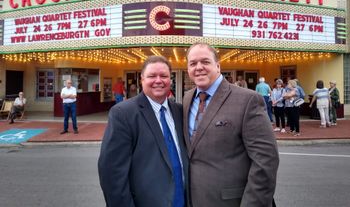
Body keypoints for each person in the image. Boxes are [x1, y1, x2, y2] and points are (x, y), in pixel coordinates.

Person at [183, 42, 279, 207]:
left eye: (205, 62)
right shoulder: (187, 98)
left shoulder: (248, 99)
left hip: (232, 201)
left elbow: (265, 161)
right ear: (188, 69)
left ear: (218, 66)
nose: (198, 67)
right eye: (193, 63)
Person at [98, 56, 188, 207]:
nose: (158, 80)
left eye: (164, 76)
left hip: (183, 200)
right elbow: (112, 173)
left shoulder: (179, 110)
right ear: (142, 79)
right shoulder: (123, 113)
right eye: (152, 76)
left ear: (170, 80)